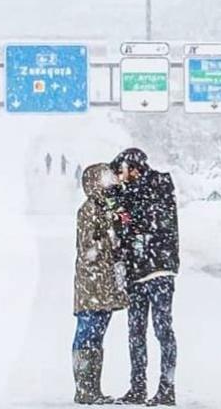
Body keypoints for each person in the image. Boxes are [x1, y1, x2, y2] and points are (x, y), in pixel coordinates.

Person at [107, 148, 179, 407]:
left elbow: (138, 222)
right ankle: (137, 387)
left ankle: (166, 388)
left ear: (134, 168)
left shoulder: (158, 186)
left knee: (162, 329)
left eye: (121, 172)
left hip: (158, 270)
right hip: (137, 272)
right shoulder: (128, 194)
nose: (119, 177)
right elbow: (123, 228)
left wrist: (119, 200)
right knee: (135, 331)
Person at [72, 164, 130, 405]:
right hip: (92, 285)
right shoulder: (90, 210)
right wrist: (111, 236)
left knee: (96, 336)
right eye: (105, 178)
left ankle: (92, 388)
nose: (110, 182)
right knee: (88, 335)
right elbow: (89, 247)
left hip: (103, 285)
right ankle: (85, 388)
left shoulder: (107, 208)